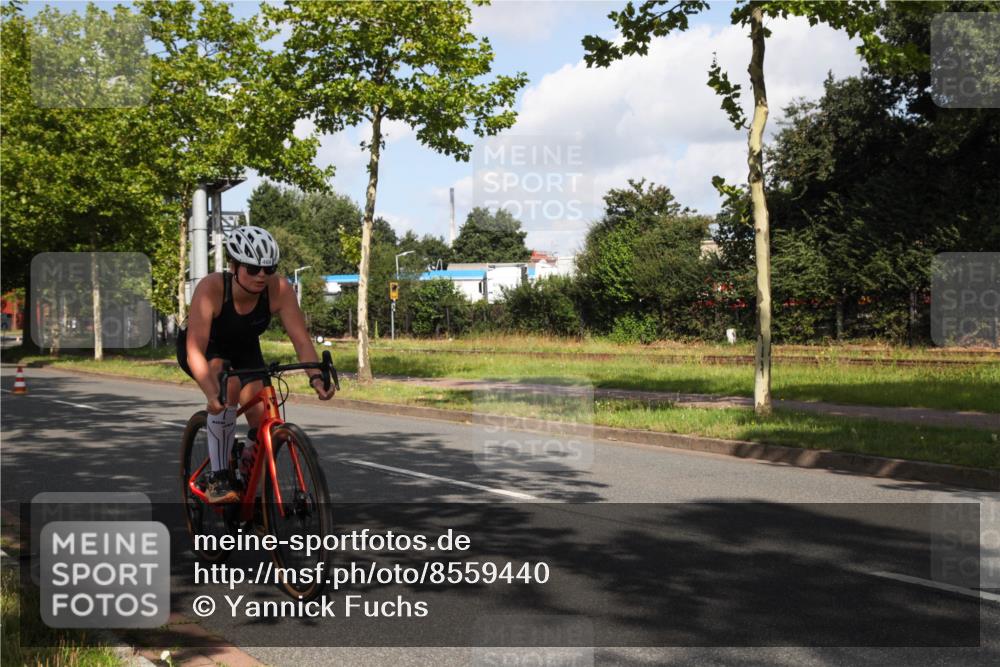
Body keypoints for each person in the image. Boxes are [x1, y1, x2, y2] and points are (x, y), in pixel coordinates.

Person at [176, 225, 335, 503]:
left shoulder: (279, 289)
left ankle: (251, 485)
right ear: (233, 266)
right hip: (205, 346)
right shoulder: (213, 288)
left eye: (268, 268)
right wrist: (211, 392)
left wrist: (315, 377)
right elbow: (194, 351)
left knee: (264, 417)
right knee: (230, 386)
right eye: (251, 268)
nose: (261, 275)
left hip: (244, 347)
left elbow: (300, 339)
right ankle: (219, 476)